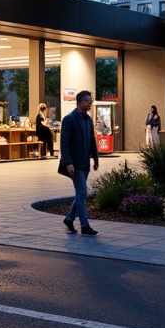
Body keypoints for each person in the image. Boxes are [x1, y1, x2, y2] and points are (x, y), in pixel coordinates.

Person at [60, 90, 100, 236]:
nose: (91, 103)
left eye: (91, 100)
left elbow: (92, 141)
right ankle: (85, 225)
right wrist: (68, 162)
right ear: (80, 102)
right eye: (88, 100)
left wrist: (95, 158)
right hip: (74, 164)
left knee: (80, 194)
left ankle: (69, 218)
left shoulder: (88, 120)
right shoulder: (69, 119)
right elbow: (64, 143)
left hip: (85, 163)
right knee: (82, 192)